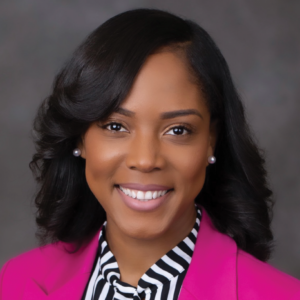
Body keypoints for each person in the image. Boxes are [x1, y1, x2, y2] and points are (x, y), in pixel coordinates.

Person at [0, 8, 299, 300]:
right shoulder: (16, 281)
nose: (145, 160)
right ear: (80, 137)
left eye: (178, 130)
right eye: (116, 126)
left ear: (211, 140)